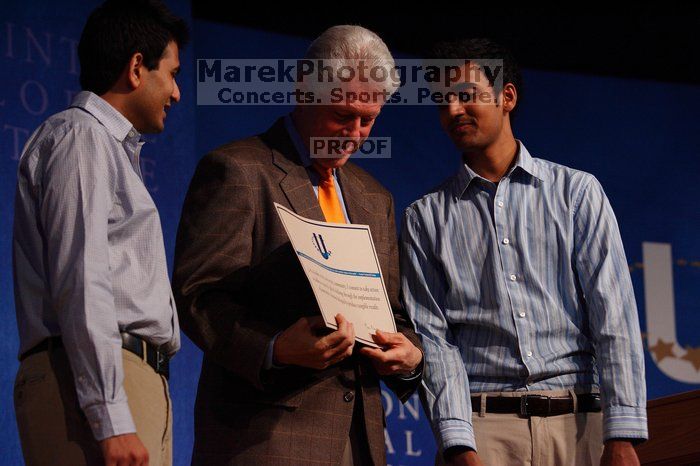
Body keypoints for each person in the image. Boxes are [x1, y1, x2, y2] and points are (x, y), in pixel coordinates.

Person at [172, 25, 423, 466]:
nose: (356, 134)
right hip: (266, 440)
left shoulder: (374, 196)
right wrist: (274, 348)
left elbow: (391, 309)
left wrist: (408, 354)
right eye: (343, 115)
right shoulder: (239, 170)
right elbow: (199, 295)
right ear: (305, 89)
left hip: (360, 442)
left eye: (369, 120)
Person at [400, 38, 647, 466]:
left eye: (465, 95)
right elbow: (434, 340)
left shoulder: (577, 193)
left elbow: (614, 315)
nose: (453, 111)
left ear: (506, 97)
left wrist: (622, 433)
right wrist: (458, 445)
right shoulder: (424, 216)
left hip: (582, 424)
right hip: (484, 431)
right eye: (442, 102)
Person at [12, 1, 187, 465]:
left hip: (127, 381)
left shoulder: (102, 146)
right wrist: (112, 419)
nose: (176, 92)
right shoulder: (82, 137)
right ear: (136, 68)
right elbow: (82, 278)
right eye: (171, 74)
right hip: (95, 385)